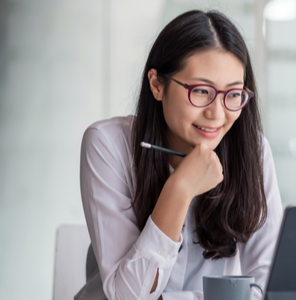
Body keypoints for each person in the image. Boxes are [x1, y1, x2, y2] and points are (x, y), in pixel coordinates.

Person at [76, 10, 283, 300]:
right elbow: (127, 296)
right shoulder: (108, 145)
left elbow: (270, 283)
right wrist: (181, 187)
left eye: (233, 94)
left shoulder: (252, 151)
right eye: (200, 91)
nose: (217, 113)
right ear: (157, 85)